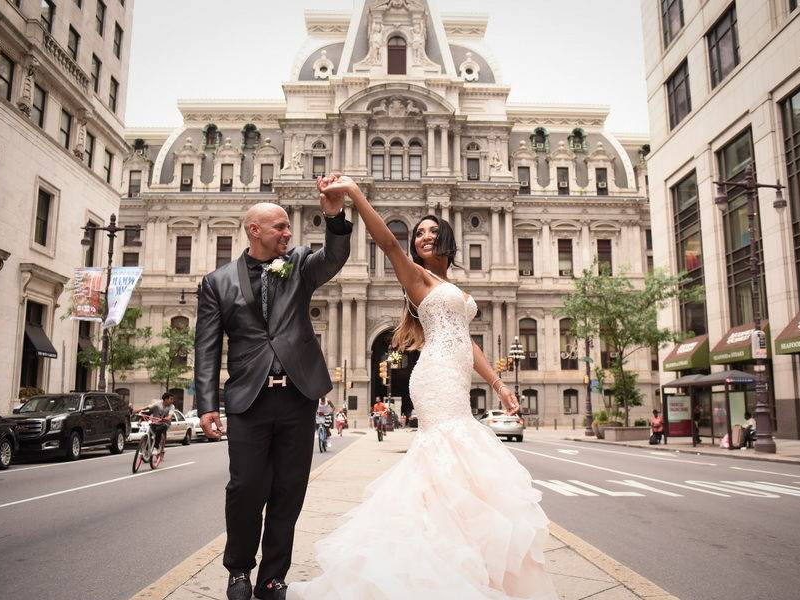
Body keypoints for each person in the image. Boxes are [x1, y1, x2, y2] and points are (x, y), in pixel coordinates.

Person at [287, 174, 557, 599]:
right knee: (446, 454)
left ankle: (458, 559)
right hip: (435, 378)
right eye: (418, 233)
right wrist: (356, 194)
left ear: (446, 238)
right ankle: (434, 561)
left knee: (461, 470)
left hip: (453, 371)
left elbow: (467, 341)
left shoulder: (450, 287)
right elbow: (387, 244)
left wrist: (499, 384)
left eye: (432, 230)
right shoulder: (415, 276)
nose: (424, 236)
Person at [194, 194, 352, 600]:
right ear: (254, 230)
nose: (288, 232)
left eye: (288, 227)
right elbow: (207, 346)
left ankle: (272, 578)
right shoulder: (217, 283)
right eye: (280, 227)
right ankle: (239, 569)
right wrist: (208, 404)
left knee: (288, 490)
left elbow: (334, 256)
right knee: (245, 488)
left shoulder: (299, 263)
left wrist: (333, 216)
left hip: (297, 396)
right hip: (249, 400)